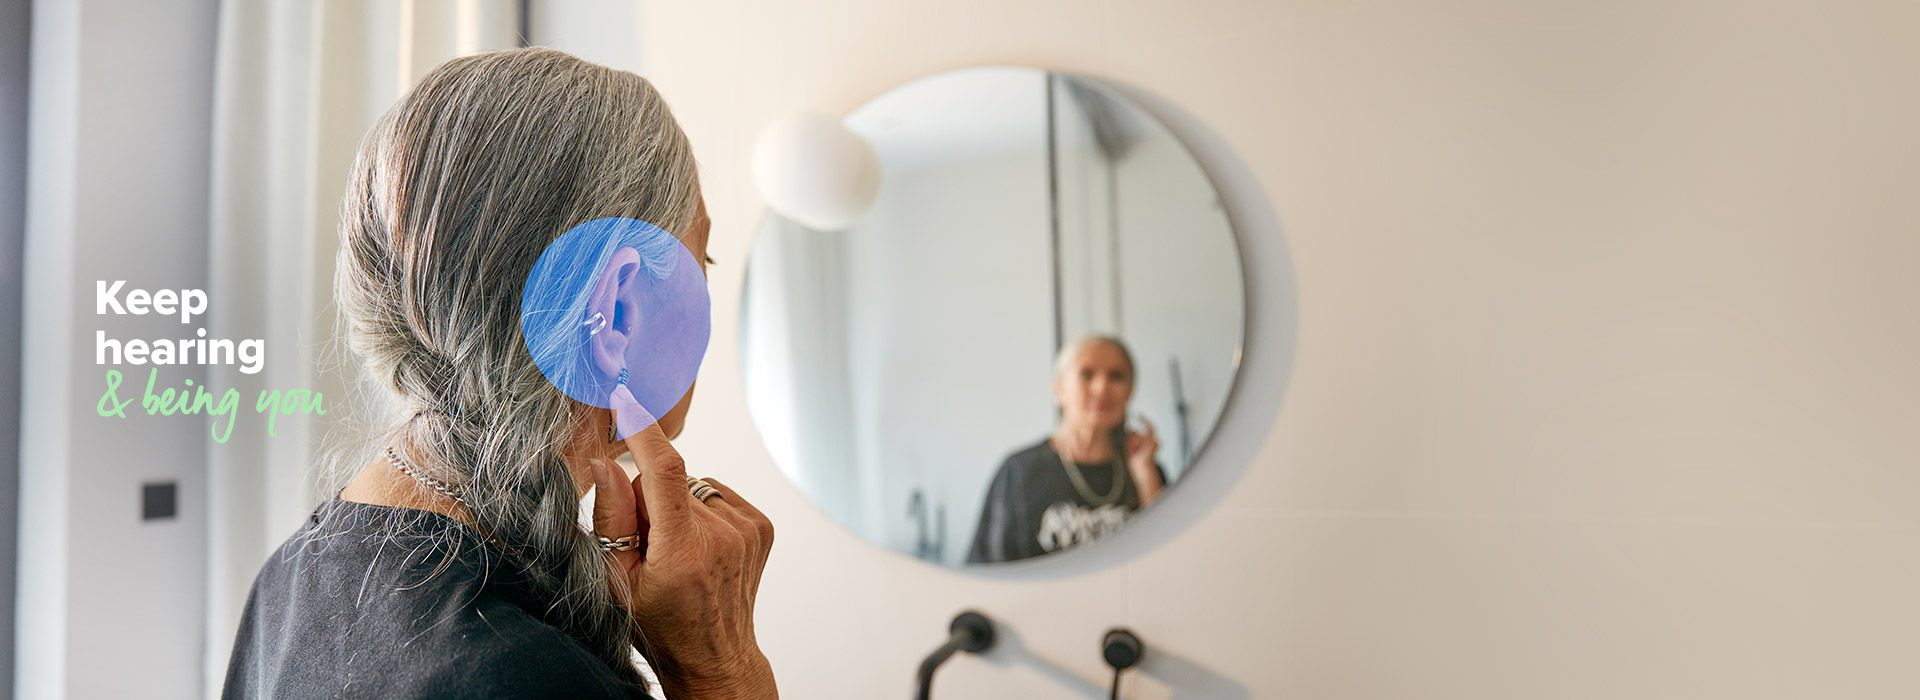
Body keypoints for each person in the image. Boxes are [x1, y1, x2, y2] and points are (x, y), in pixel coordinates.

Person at [220, 48, 777, 699]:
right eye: (700, 255)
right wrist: (720, 667)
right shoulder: (529, 677)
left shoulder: (292, 579)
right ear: (619, 310)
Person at [966, 336, 1168, 564]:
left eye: (1116, 376)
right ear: (1059, 390)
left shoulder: (1145, 469)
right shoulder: (1019, 471)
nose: (1102, 388)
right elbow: (990, 568)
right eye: (1086, 375)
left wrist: (1145, 476)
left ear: (1129, 392)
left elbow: (1170, 557)